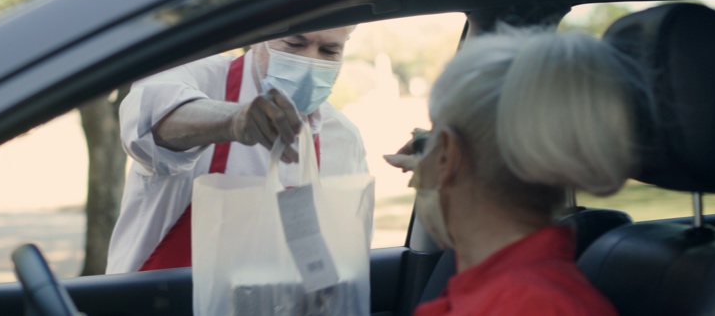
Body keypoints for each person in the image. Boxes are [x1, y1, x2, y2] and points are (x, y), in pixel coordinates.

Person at [385, 29, 648, 315]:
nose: (420, 152)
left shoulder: (527, 304)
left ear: (447, 154)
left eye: (432, 135)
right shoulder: (517, 289)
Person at [107, 26, 369, 274]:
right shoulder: (196, 79)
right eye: (294, 43)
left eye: (329, 51)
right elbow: (146, 125)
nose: (310, 64)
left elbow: (339, 256)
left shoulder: (343, 138)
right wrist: (234, 120)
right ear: (257, 38)